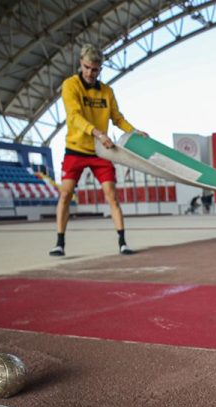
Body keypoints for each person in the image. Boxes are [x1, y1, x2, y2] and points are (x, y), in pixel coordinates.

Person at [50, 44, 147, 257]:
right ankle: (59, 243)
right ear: (80, 64)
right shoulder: (70, 85)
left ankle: (122, 242)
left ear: (100, 69)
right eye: (86, 68)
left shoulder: (107, 92)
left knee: (111, 195)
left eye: (94, 70)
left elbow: (117, 118)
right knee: (65, 194)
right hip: (76, 149)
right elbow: (74, 117)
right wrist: (98, 134)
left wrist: (134, 131)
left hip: (100, 152)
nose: (89, 73)